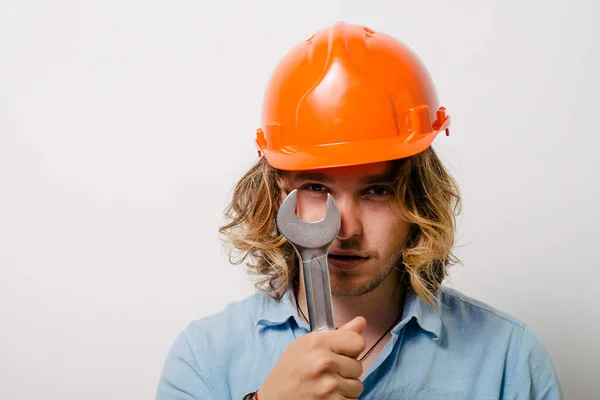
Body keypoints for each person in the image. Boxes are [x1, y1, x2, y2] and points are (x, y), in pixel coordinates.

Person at [156, 22, 562, 399]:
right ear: (279, 191)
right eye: (316, 187)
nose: (344, 229)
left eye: (377, 191)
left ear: (420, 199)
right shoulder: (204, 358)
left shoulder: (509, 359)